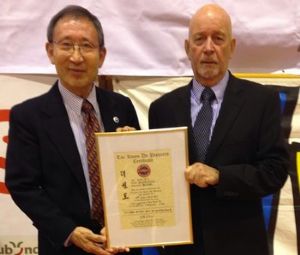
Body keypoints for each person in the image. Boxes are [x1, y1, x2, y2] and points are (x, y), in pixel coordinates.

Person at [148, 3, 289, 255]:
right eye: (200, 39)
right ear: (187, 48)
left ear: (232, 47)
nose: (209, 48)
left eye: (218, 38)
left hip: (241, 246)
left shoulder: (261, 102)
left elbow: (275, 171)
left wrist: (220, 176)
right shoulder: (162, 109)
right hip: (181, 249)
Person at [5, 5, 141, 255]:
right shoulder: (28, 117)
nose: (76, 57)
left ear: (101, 55)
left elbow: (137, 179)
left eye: (87, 46)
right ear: (50, 51)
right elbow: (22, 185)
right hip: (64, 247)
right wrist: (68, 231)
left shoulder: (121, 106)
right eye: (66, 45)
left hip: (122, 245)